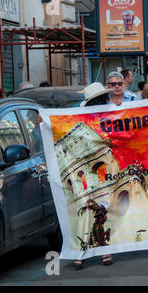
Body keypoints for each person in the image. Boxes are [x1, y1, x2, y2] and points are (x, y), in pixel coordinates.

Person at [36, 82, 116, 268]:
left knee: (103, 212)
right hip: (82, 174)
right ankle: (81, 252)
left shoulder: (111, 115)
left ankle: (104, 250)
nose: (103, 102)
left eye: (103, 99)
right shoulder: (77, 117)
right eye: (100, 99)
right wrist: (45, 123)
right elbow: (57, 126)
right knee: (85, 213)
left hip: (103, 173)